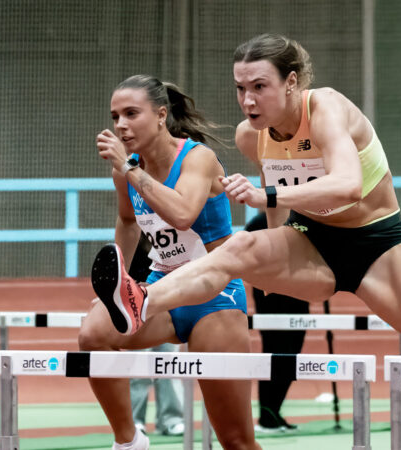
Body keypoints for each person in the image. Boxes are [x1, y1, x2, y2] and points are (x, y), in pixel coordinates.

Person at [91, 34, 401, 403]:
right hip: (311, 240)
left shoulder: (325, 109)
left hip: (377, 247)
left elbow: (347, 185)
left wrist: (267, 193)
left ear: (291, 82)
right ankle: (141, 300)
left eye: (259, 86)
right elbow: (280, 204)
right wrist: (270, 236)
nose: (247, 99)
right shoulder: (253, 137)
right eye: (240, 88)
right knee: (239, 249)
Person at [79, 74, 260, 450]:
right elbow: (128, 221)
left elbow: (181, 214)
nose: (120, 125)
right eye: (115, 116)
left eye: (131, 113)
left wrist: (130, 170)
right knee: (93, 333)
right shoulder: (125, 168)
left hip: (215, 297)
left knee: (236, 441)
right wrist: (119, 284)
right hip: (160, 291)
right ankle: (129, 440)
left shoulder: (198, 158)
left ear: (161, 115)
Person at [244, 211, 308, 432]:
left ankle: (274, 410)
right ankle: (266, 415)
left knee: (292, 354)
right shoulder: (260, 223)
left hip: (299, 296)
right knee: (275, 351)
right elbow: (244, 259)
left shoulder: (304, 221)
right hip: (270, 299)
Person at [125, 239, 185, 437]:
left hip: (168, 305)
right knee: (138, 366)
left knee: (170, 363)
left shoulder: (172, 241)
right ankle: (135, 421)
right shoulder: (133, 241)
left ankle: (172, 419)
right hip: (137, 309)